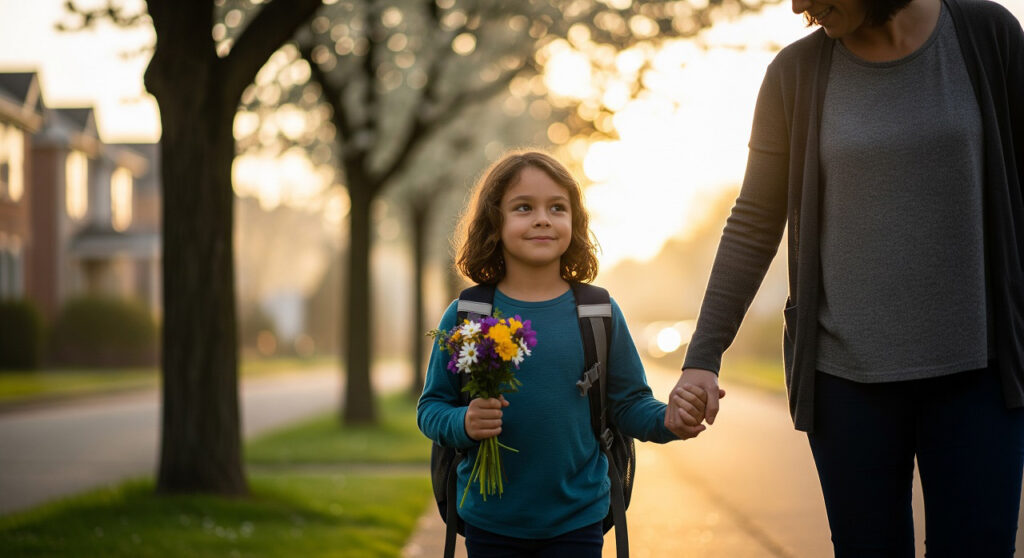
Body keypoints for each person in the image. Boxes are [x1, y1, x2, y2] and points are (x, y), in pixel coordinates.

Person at [663, 0, 1024, 556]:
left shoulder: (988, 34)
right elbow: (755, 221)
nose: (798, 6)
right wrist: (702, 358)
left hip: (981, 375)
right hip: (847, 386)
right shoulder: (794, 74)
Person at [417, 151, 705, 557]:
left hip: (578, 520)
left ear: (575, 222)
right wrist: (463, 421)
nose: (542, 219)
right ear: (494, 223)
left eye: (557, 208)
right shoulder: (468, 314)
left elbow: (629, 404)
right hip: (490, 521)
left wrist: (669, 420)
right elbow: (431, 408)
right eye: (523, 207)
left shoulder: (599, 313)